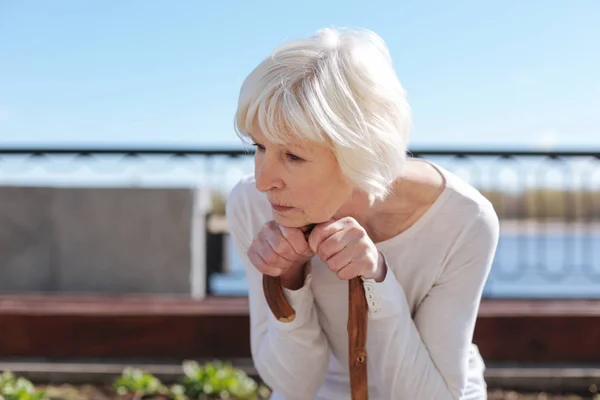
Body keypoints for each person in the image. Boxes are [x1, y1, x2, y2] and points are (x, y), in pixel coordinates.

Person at [225, 27, 499, 400]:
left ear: (361, 151)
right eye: (259, 147)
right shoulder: (251, 206)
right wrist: (288, 281)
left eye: (292, 156)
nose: (262, 181)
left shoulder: (464, 221)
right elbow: (293, 386)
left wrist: (378, 281)